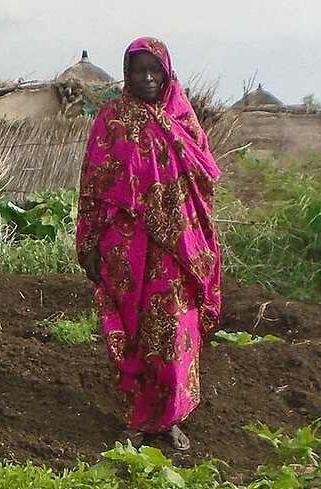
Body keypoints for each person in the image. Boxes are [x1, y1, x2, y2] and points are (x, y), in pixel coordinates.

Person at [76, 37, 221, 451]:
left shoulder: (183, 120)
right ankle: (140, 418)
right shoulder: (112, 120)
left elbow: (205, 179)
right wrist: (89, 243)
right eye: (137, 70)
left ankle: (170, 418)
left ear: (166, 71)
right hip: (128, 249)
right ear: (126, 74)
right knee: (135, 331)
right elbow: (94, 185)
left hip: (177, 249)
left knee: (174, 331)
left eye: (153, 69)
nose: (146, 78)